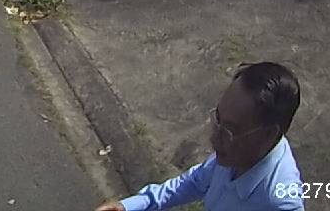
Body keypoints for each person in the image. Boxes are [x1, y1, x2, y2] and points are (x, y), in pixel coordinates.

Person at [95, 62, 304, 211]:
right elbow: (196, 182)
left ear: (268, 135)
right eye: (218, 118)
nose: (214, 138)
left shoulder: (281, 201)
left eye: (229, 130)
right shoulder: (234, 152)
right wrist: (129, 206)